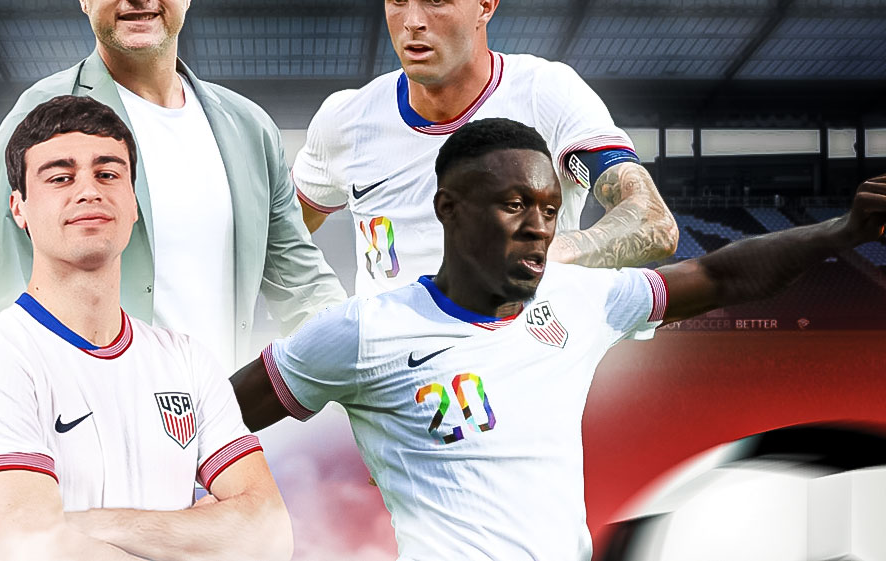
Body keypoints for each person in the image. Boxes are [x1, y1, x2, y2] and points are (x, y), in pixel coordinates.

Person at [233, 118, 886, 561]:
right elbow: (221, 417)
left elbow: (718, 272)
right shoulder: (362, 331)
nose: (538, 226)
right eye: (514, 204)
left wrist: (842, 231)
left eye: (548, 208)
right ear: (448, 208)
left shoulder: (579, 299)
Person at [0, 0, 345, 369]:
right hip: (93, 424)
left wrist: (360, 351)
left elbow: (301, 284)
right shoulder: (39, 118)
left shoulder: (249, 128)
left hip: (221, 425)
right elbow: (0, 301)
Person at [0, 96, 292, 561]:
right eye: (60, 177)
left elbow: (271, 535)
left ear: (133, 204)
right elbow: (32, 548)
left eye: (108, 174)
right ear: (19, 208)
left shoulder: (186, 360)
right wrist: (205, 534)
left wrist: (93, 523)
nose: (88, 191)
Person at [293, 0, 678, 297]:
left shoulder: (545, 94)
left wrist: (545, 254)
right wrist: (320, 314)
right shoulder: (346, 118)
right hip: (383, 356)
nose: (412, 21)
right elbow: (278, 238)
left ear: (486, 6)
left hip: (522, 350)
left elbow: (653, 221)